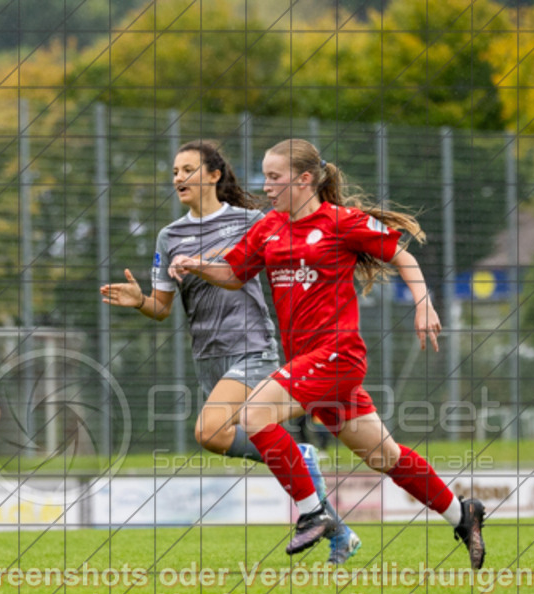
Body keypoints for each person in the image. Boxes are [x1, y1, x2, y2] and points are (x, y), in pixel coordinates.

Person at [170, 138, 487, 569]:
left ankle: (312, 512)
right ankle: (462, 513)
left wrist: (423, 302)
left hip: (337, 354)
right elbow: (233, 272)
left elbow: (401, 255)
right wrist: (196, 263)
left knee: (254, 415)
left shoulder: (340, 222)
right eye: (265, 176)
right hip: (307, 363)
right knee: (384, 457)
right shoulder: (268, 227)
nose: (266, 186)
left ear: (304, 180)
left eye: (275, 177)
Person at [101, 139, 361, 564]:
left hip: (252, 348)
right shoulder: (170, 236)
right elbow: (162, 308)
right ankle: (339, 531)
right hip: (208, 355)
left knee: (207, 430)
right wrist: (140, 301)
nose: (178, 178)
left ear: (213, 175)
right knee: (218, 437)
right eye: (174, 172)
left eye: (187, 170)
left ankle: (301, 460)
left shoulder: (253, 221)